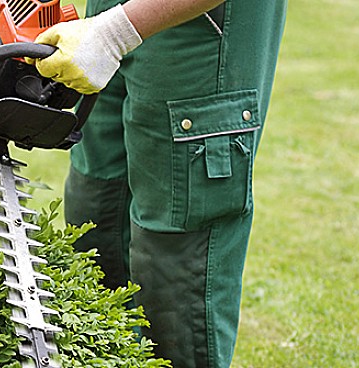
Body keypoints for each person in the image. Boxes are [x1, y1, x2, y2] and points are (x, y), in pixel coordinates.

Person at [30, 0, 287, 367]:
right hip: (108, 14)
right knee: (96, 211)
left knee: (175, 262)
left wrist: (114, 34)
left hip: (201, 25)